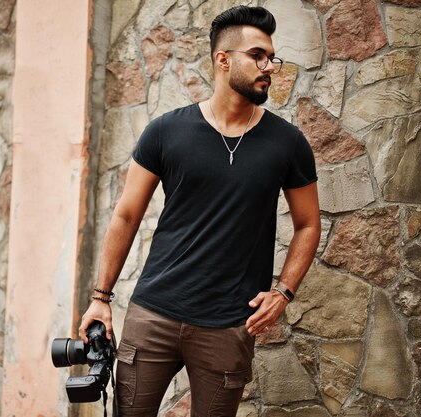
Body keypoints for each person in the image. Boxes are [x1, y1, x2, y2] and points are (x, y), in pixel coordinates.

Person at [79, 5, 321, 416]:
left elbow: (308, 224)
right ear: (223, 60)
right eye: (258, 56)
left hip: (228, 325)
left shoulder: (288, 142)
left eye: (272, 58)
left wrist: (283, 291)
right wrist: (101, 298)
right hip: (153, 313)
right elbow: (126, 216)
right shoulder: (166, 131)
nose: (270, 67)